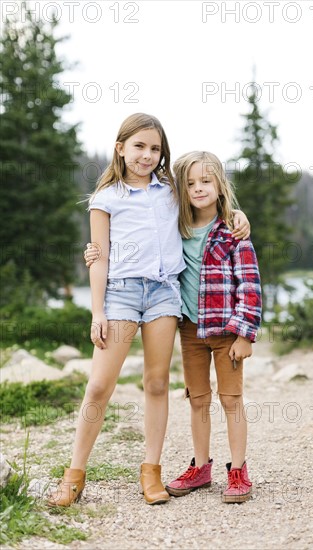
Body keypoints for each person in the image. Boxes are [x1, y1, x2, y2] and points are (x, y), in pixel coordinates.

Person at [47, 113, 249, 507]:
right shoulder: (104, 199)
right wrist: (97, 311)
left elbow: (208, 200)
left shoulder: (171, 192)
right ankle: (74, 475)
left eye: (155, 148)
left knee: (157, 383)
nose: (147, 155)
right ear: (120, 147)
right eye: (139, 146)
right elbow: (99, 256)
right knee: (100, 386)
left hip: (163, 295)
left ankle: (151, 471)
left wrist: (238, 215)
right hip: (120, 295)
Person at [164, 151, 262, 503]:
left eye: (206, 181)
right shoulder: (175, 227)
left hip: (226, 332)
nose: (198, 188)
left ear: (221, 185)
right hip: (190, 330)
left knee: (231, 399)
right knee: (198, 400)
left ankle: (238, 470)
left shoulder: (233, 231)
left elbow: (250, 284)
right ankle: (201, 467)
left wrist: (245, 334)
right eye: (190, 183)